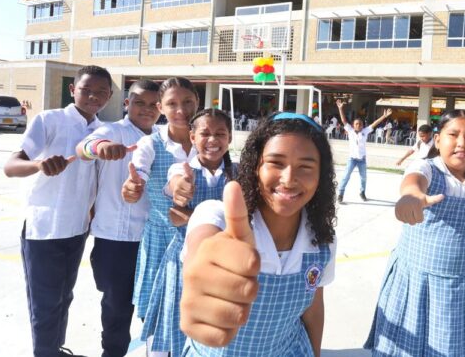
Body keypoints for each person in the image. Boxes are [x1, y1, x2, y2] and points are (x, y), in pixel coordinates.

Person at [180, 112, 337, 356]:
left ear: (321, 176)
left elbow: (313, 307)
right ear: (255, 167)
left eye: (305, 166)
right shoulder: (218, 217)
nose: (288, 179)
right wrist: (206, 272)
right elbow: (202, 249)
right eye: (275, 163)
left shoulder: (322, 240)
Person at [364, 110, 465, 356]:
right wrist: (412, 197)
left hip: (464, 288)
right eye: (453, 134)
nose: (462, 143)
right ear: (437, 140)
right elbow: (413, 183)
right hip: (417, 283)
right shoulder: (426, 168)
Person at [3, 65, 113, 357]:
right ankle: (45, 352)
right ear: (72, 90)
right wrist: (38, 165)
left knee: (64, 296)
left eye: (102, 92)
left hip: (77, 229)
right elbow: (11, 165)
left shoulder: (101, 130)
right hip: (44, 228)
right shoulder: (49, 120)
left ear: (110, 95)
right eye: (87, 89)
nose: (94, 96)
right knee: (44, 303)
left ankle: (55, 348)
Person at [74, 79, 160, 357]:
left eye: (152, 104)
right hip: (115, 238)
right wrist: (101, 147)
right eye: (139, 102)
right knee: (116, 306)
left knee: (157, 306)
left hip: (155, 239)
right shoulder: (111, 130)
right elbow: (85, 147)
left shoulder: (163, 138)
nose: (146, 109)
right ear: (126, 104)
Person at [142, 109, 235, 356]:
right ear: (192, 137)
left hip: (225, 267)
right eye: (205, 133)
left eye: (220, 134)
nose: (213, 140)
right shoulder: (182, 170)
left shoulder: (238, 174)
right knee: (176, 319)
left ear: (230, 138)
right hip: (185, 264)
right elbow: (175, 212)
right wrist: (180, 190)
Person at [122, 77, 199, 357]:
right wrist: (132, 187)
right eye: (172, 104)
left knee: (196, 309)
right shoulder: (150, 144)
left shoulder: (209, 140)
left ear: (197, 102)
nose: (181, 110)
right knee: (158, 312)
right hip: (161, 241)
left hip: (200, 240)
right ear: (161, 107)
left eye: (188, 102)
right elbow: (138, 174)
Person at [335, 99, 392, 203]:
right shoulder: (350, 131)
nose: (358, 125)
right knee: (346, 176)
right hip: (352, 159)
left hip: (362, 160)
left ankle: (362, 192)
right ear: (353, 125)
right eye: (356, 124)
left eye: (360, 124)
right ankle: (341, 194)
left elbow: (374, 123)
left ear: (362, 125)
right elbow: (343, 121)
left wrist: (384, 116)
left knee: (363, 178)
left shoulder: (365, 131)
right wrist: (340, 109)